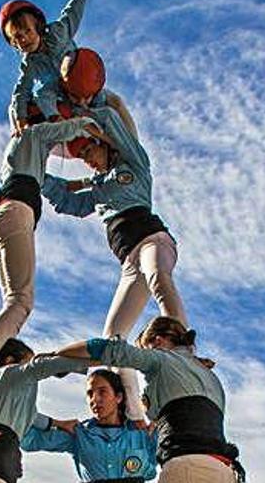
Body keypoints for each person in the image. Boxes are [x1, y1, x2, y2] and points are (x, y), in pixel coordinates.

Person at [41, 103, 187, 420]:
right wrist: (36, 172)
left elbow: (119, 129)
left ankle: (184, 350)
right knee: (113, 337)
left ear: (104, 143)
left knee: (159, 277)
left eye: (90, 151)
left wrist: (90, 116)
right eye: (81, 158)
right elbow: (68, 203)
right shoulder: (98, 188)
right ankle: (135, 416)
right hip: (129, 262)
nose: (88, 161)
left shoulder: (134, 166)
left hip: (153, 240)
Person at [0, 115, 100, 382]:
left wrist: (92, 182)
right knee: (21, 302)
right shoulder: (32, 134)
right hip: (16, 216)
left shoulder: (28, 162)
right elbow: (76, 125)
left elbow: (61, 189)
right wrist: (101, 130)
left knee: (13, 304)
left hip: (3, 220)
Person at [51, 317, 246, 483]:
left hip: (188, 469)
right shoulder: (210, 376)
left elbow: (103, 348)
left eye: (146, 348)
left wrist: (56, 357)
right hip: (225, 471)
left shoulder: (160, 359)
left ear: (158, 342)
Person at [0, 0, 135, 139]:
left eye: (27, 31)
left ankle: (134, 143)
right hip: (69, 101)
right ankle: (107, 143)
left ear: (38, 26)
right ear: (13, 44)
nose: (24, 39)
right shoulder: (30, 65)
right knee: (30, 101)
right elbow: (21, 91)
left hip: (86, 86)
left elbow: (74, 8)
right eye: (17, 37)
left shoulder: (58, 33)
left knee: (116, 102)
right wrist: (21, 119)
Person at [0, 338, 88, 483]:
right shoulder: (3, 377)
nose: (30, 376)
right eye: (27, 364)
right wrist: (99, 360)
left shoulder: (1, 404)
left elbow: (31, 417)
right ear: (9, 361)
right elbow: (42, 367)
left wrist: (59, 423)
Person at [21, 369, 158, 482]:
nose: (94, 399)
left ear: (118, 397)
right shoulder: (79, 434)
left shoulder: (141, 432)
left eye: (102, 392)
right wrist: (53, 422)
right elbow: (28, 440)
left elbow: (154, 468)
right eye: (90, 393)